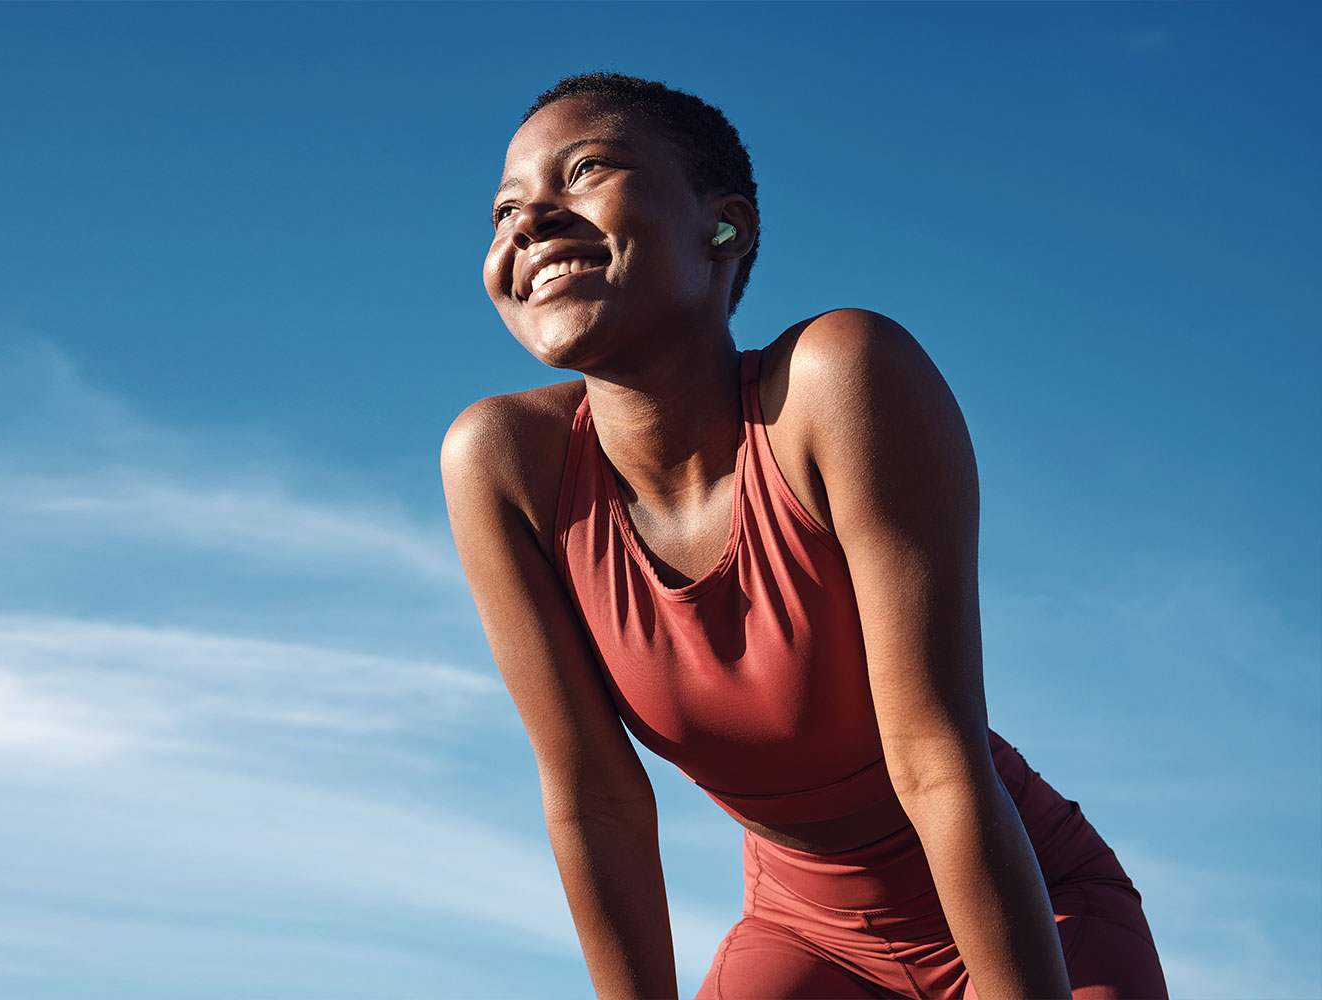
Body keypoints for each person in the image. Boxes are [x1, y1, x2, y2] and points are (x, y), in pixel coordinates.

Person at [440, 73, 1168, 1000]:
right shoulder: (502, 462)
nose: (528, 221)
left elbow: (935, 760)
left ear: (725, 227)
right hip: (804, 937)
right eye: (505, 209)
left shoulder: (837, 381)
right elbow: (595, 800)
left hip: (1030, 913)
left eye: (585, 170)